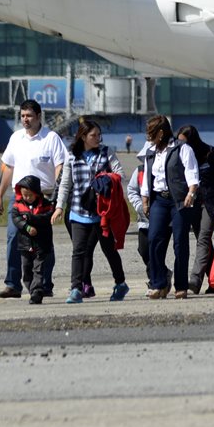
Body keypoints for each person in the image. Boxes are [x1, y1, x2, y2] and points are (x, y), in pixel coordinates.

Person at [0, 100, 70, 298]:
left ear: (39, 117)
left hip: (43, 197)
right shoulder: (16, 138)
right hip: (19, 198)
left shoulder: (51, 138)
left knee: (43, 243)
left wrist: (57, 196)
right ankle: (13, 285)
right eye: (23, 116)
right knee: (13, 238)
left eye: (29, 116)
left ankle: (44, 284)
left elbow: (61, 166)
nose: (25, 120)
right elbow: (8, 168)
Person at [55, 120, 127, 303]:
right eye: (93, 135)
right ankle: (76, 289)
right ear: (83, 136)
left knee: (109, 249)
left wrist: (107, 179)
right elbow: (65, 184)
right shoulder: (72, 156)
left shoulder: (106, 153)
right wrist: (59, 207)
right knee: (78, 251)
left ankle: (120, 284)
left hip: (102, 213)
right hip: (78, 211)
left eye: (98, 135)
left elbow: (121, 174)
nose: (97, 138)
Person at [140, 115, 200, 299]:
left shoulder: (182, 149)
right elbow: (147, 175)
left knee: (180, 243)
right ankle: (159, 284)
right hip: (159, 200)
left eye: (151, 133)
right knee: (154, 240)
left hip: (179, 201)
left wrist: (191, 193)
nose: (148, 136)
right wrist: (145, 199)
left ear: (160, 133)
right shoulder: (150, 151)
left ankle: (180, 285)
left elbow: (192, 172)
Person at [178, 124, 214, 294]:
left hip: (211, 203)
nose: (181, 147)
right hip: (193, 203)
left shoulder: (209, 153)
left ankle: (195, 279)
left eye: (184, 143)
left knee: (203, 238)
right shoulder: (181, 156)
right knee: (205, 243)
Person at [9, 174, 56, 304]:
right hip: (25, 244)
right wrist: (27, 227)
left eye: (30, 195)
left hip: (41, 244)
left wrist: (32, 219)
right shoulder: (18, 206)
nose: (27, 198)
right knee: (27, 271)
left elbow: (47, 217)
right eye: (25, 195)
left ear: (36, 193)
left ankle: (37, 292)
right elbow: (16, 219)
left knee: (38, 269)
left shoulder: (45, 204)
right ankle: (33, 290)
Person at [125, 150, 150, 269]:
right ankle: (161, 274)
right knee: (143, 250)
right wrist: (139, 206)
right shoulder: (140, 170)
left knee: (157, 251)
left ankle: (155, 281)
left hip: (163, 218)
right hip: (144, 220)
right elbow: (132, 190)